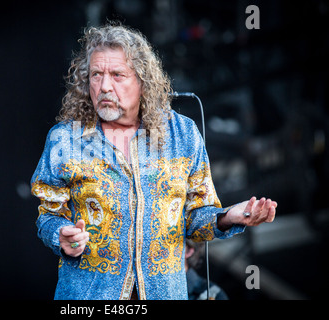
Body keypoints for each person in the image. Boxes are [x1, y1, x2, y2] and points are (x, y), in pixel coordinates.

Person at [31, 24, 277, 300]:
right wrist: (61, 235)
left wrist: (229, 216)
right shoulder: (66, 139)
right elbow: (48, 215)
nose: (104, 86)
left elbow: (196, 217)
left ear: (142, 81)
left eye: (117, 75)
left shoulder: (182, 134)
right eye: (96, 75)